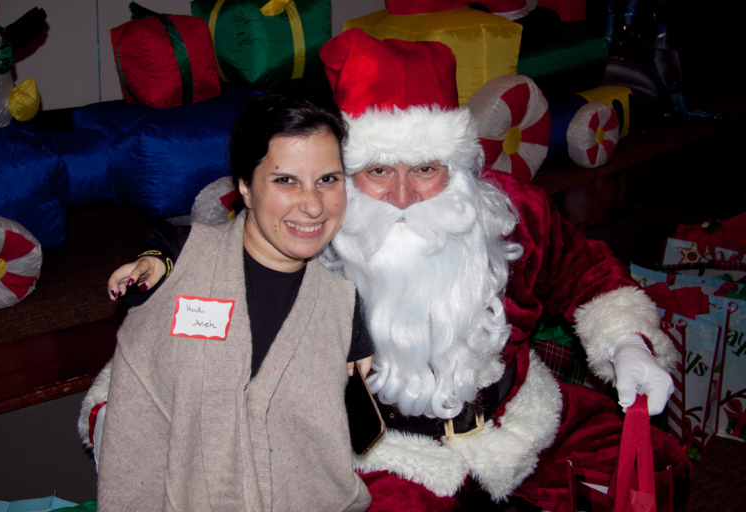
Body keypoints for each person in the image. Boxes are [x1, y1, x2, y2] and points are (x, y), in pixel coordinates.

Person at [88, 30, 692, 511]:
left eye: (425, 167)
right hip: (381, 452)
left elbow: (585, 274)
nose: (403, 195)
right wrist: (120, 414)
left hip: (519, 419)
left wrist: (628, 345)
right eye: (378, 171)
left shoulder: (509, 212)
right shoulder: (305, 235)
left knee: (656, 470)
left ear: (456, 167)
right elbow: (175, 336)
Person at [88, 88, 372, 511]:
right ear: (244, 185)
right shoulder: (180, 264)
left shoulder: (341, 304)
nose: (313, 205)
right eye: (285, 180)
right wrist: (157, 259)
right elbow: (133, 439)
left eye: (327, 179)